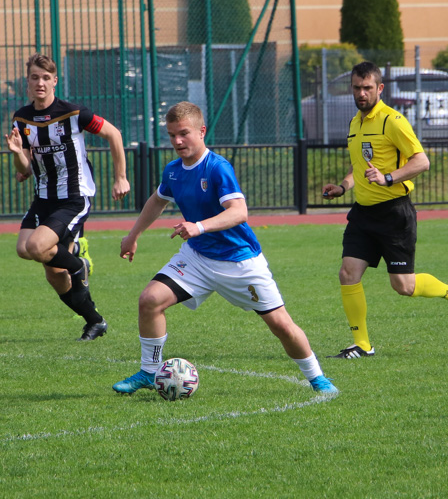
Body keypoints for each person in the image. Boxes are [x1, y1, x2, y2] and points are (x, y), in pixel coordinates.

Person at [112, 101, 338, 395]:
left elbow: (239, 211)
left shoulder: (217, 168)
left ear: (202, 131)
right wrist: (133, 235)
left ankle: (318, 378)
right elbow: (157, 200)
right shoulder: (173, 171)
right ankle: (148, 371)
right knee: (149, 300)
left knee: (281, 325)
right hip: (197, 259)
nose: (177, 141)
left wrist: (199, 226)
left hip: (239, 262)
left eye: (184, 133)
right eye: (171, 135)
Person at [322, 61, 448, 359]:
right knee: (348, 273)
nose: (362, 94)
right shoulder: (355, 123)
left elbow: (421, 161)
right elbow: (359, 169)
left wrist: (388, 178)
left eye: (368, 88)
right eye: (357, 88)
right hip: (363, 214)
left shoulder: (393, 121)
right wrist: (343, 187)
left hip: (394, 214)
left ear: (380, 88)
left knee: (404, 286)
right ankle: (363, 345)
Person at [6, 53, 129, 340]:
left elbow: (114, 134)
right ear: (28, 81)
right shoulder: (22, 117)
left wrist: (120, 177)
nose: (40, 83)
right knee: (35, 258)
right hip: (43, 198)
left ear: (55, 81)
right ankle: (94, 321)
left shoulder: (74, 113)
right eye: (35, 77)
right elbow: (24, 168)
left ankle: (77, 263)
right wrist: (16, 155)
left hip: (74, 196)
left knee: (38, 247)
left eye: (46, 78)